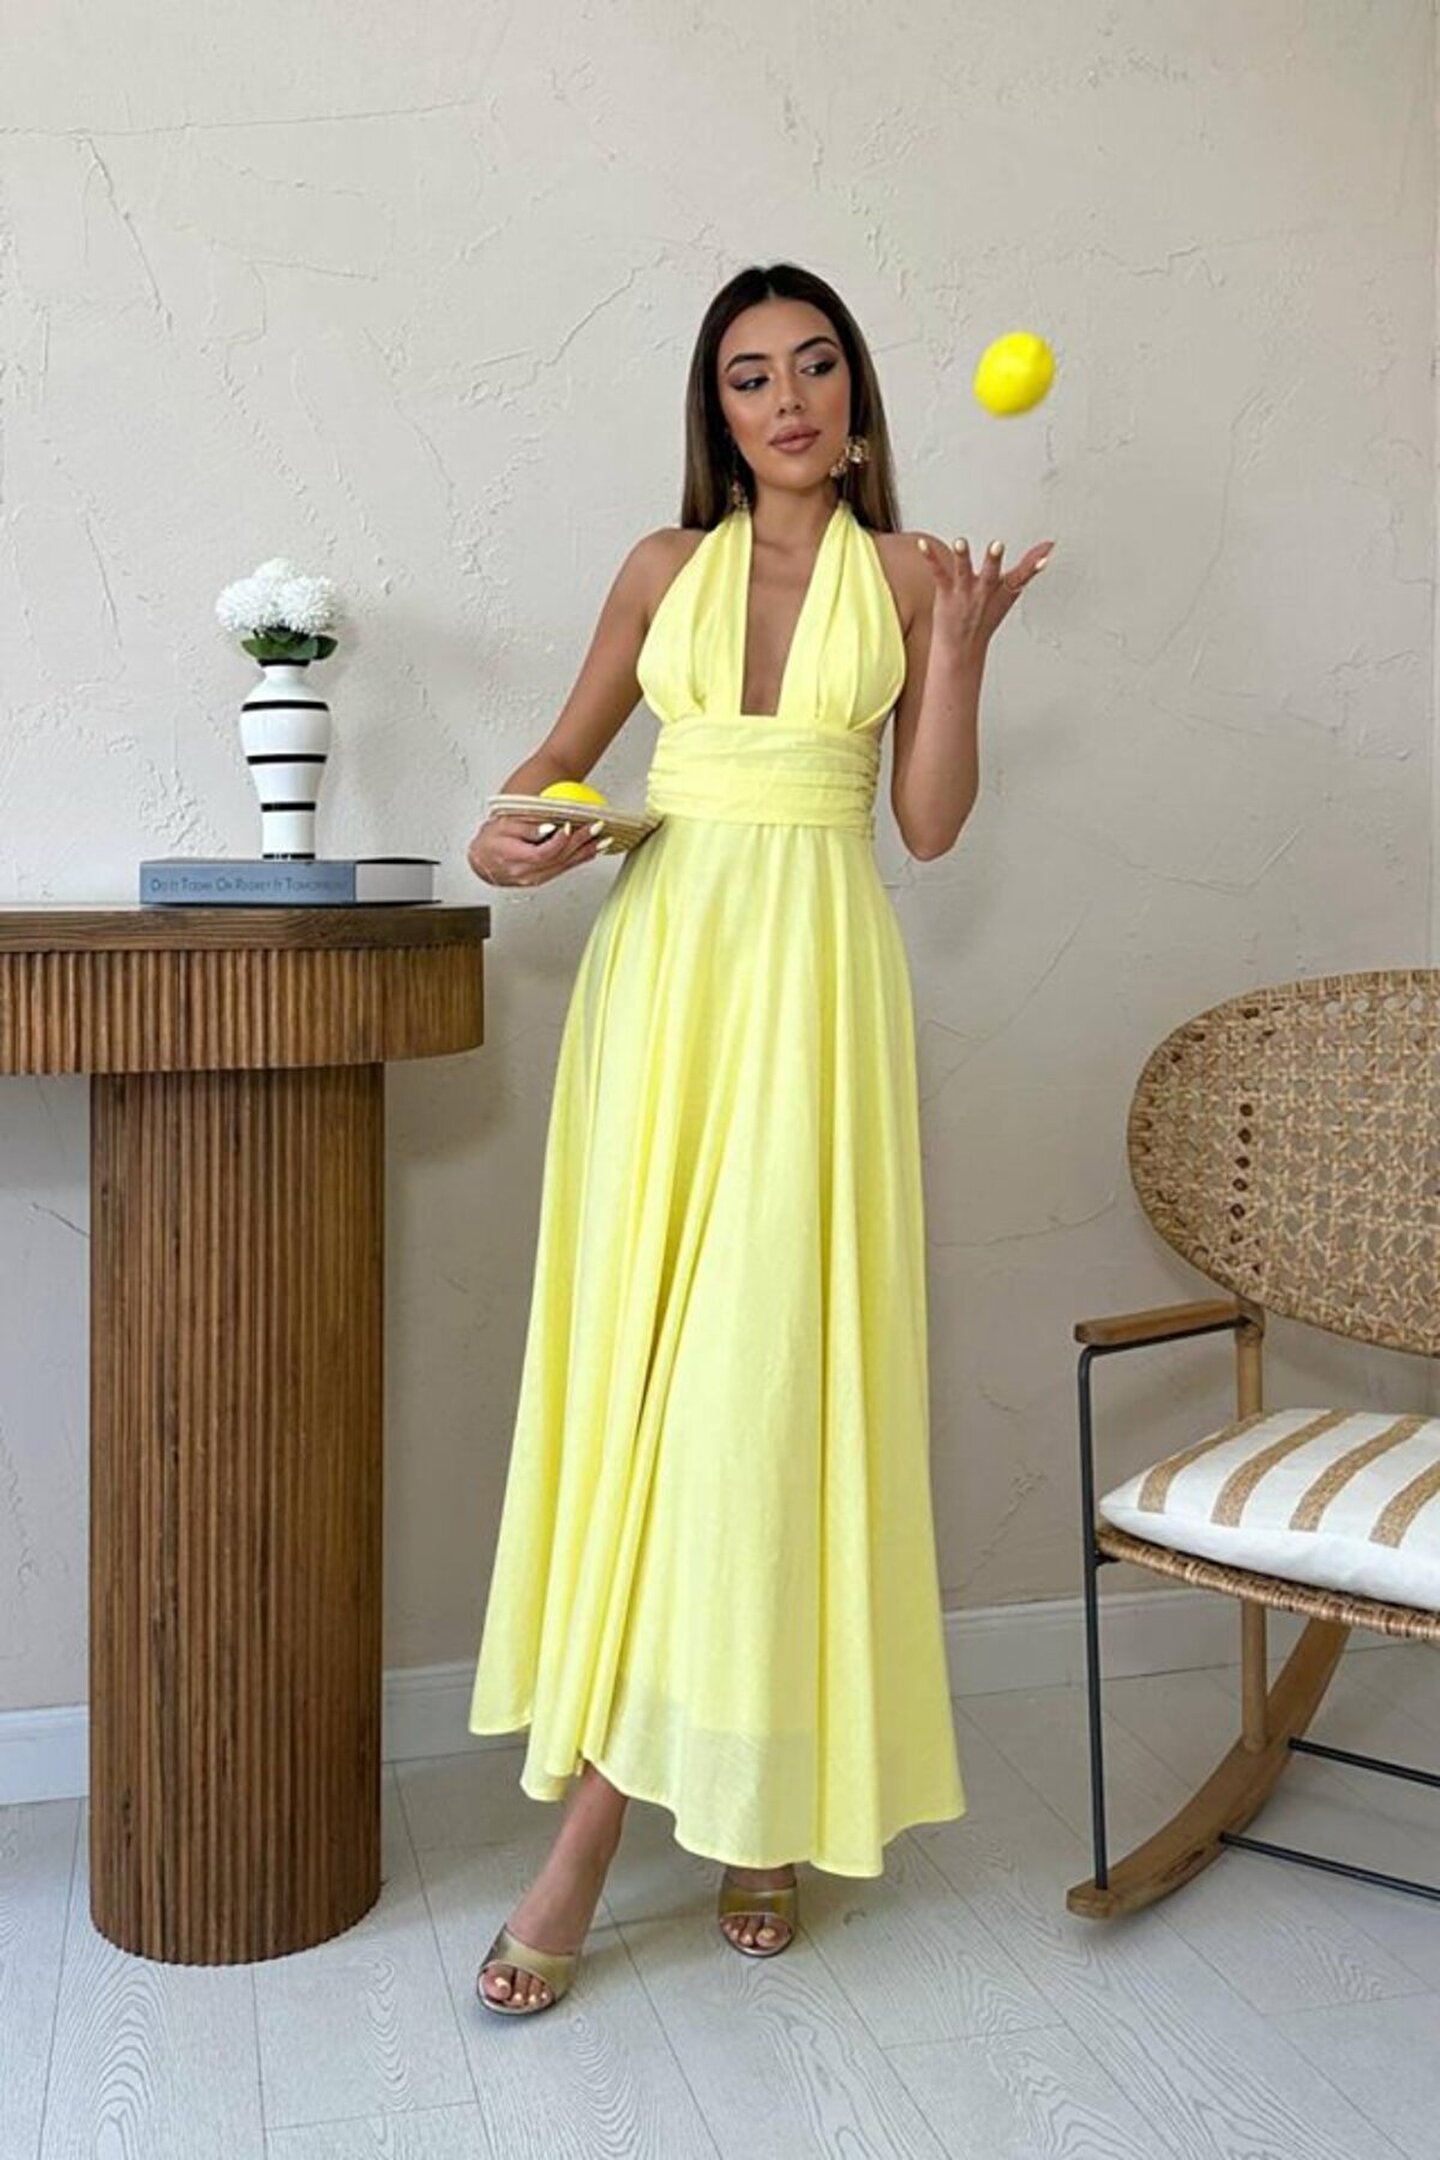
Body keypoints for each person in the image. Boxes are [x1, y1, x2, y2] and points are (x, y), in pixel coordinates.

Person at [465, 262, 1053, 2016]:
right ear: (716, 412)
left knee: (765, 1399)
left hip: (814, 995)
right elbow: (549, 770)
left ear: (855, 396)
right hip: (662, 993)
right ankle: (705, 1815)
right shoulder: (664, 569)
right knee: (655, 1395)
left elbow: (928, 827)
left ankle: (678, 1825)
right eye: (747, 376)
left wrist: (961, 652)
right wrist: (519, 841)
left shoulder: (912, 575)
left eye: (812, 366)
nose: (784, 399)